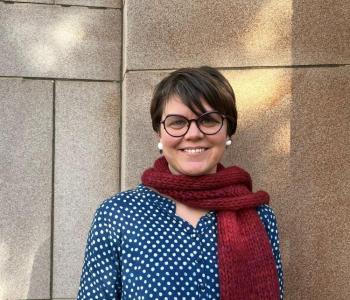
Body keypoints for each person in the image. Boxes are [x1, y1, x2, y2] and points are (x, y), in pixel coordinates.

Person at [77, 66, 284, 300]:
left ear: (228, 131)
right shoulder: (119, 215)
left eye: (209, 120)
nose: (193, 133)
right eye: (177, 122)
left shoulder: (260, 216)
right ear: (159, 133)